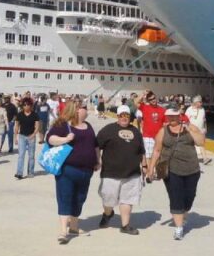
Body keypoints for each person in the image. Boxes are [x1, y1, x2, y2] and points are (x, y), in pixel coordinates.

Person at [45, 99, 98, 244]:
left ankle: (74, 227)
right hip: (68, 170)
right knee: (65, 197)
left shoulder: (89, 126)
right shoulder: (64, 125)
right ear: (76, 110)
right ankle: (63, 231)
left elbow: (95, 145)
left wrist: (98, 160)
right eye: (84, 108)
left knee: (80, 198)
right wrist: (66, 139)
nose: (87, 110)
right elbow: (50, 139)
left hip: (86, 170)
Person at [149, 105, 205, 240]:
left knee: (189, 197)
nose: (172, 118)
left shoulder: (190, 128)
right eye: (170, 116)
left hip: (192, 169)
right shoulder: (163, 131)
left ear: (180, 116)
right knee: (175, 197)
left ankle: (184, 213)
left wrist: (189, 130)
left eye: (175, 115)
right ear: (167, 117)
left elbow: (200, 142)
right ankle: (179, 227)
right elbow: (156, 150)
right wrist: (150, 168)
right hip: (171, 170)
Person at [96, 105, 146, 235]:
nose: (124, 118)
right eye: (121, 115)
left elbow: (142, 150)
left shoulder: (135, 131)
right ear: (117, 116)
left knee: (128, 199)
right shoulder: (108, 130)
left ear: (130, 117)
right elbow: (96, 145)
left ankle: (125, 225)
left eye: (127, 116)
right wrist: (98, 160)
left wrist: (145, 166)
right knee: (108, 198)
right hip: (110, 172)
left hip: (132, 173)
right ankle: (108, 213)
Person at [138, 91, 166, 170]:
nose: (153, 100)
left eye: (154, 98)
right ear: (148, 101)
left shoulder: (162, 110)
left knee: (158, 155)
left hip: (158, 137)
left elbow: (165, 123)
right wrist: (143, 94)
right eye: (150, 99)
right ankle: (150, 172)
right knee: (148, 156)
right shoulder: (145, 107)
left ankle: (155, 170)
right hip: (148, 136)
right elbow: (136, 102)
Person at [14, 98, 39, 179]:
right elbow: (17, 126)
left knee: (31, 156)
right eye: (24, 105)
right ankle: (19, 173)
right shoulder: (20, 114)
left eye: (28, 105)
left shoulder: (35, 115)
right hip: (22, 136)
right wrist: (15, 137)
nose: (26, 106)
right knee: (21, 155)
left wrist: (34, 134)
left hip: (31, 136)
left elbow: (37, 126)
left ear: (31, 106)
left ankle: (31, 172)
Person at [184, 95, 210, 165]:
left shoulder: (202, 109)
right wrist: (187, 129)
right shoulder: (189, 110)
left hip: (200, 131)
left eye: (201, 102)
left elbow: (204, 120)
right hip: (191, 131)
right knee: (190, 145)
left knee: (201, 144)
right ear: (195, 102)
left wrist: (205, 128)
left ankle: (205, 158)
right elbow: (185, 120)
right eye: (200, 102)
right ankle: (189, 159)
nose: (201, 103)